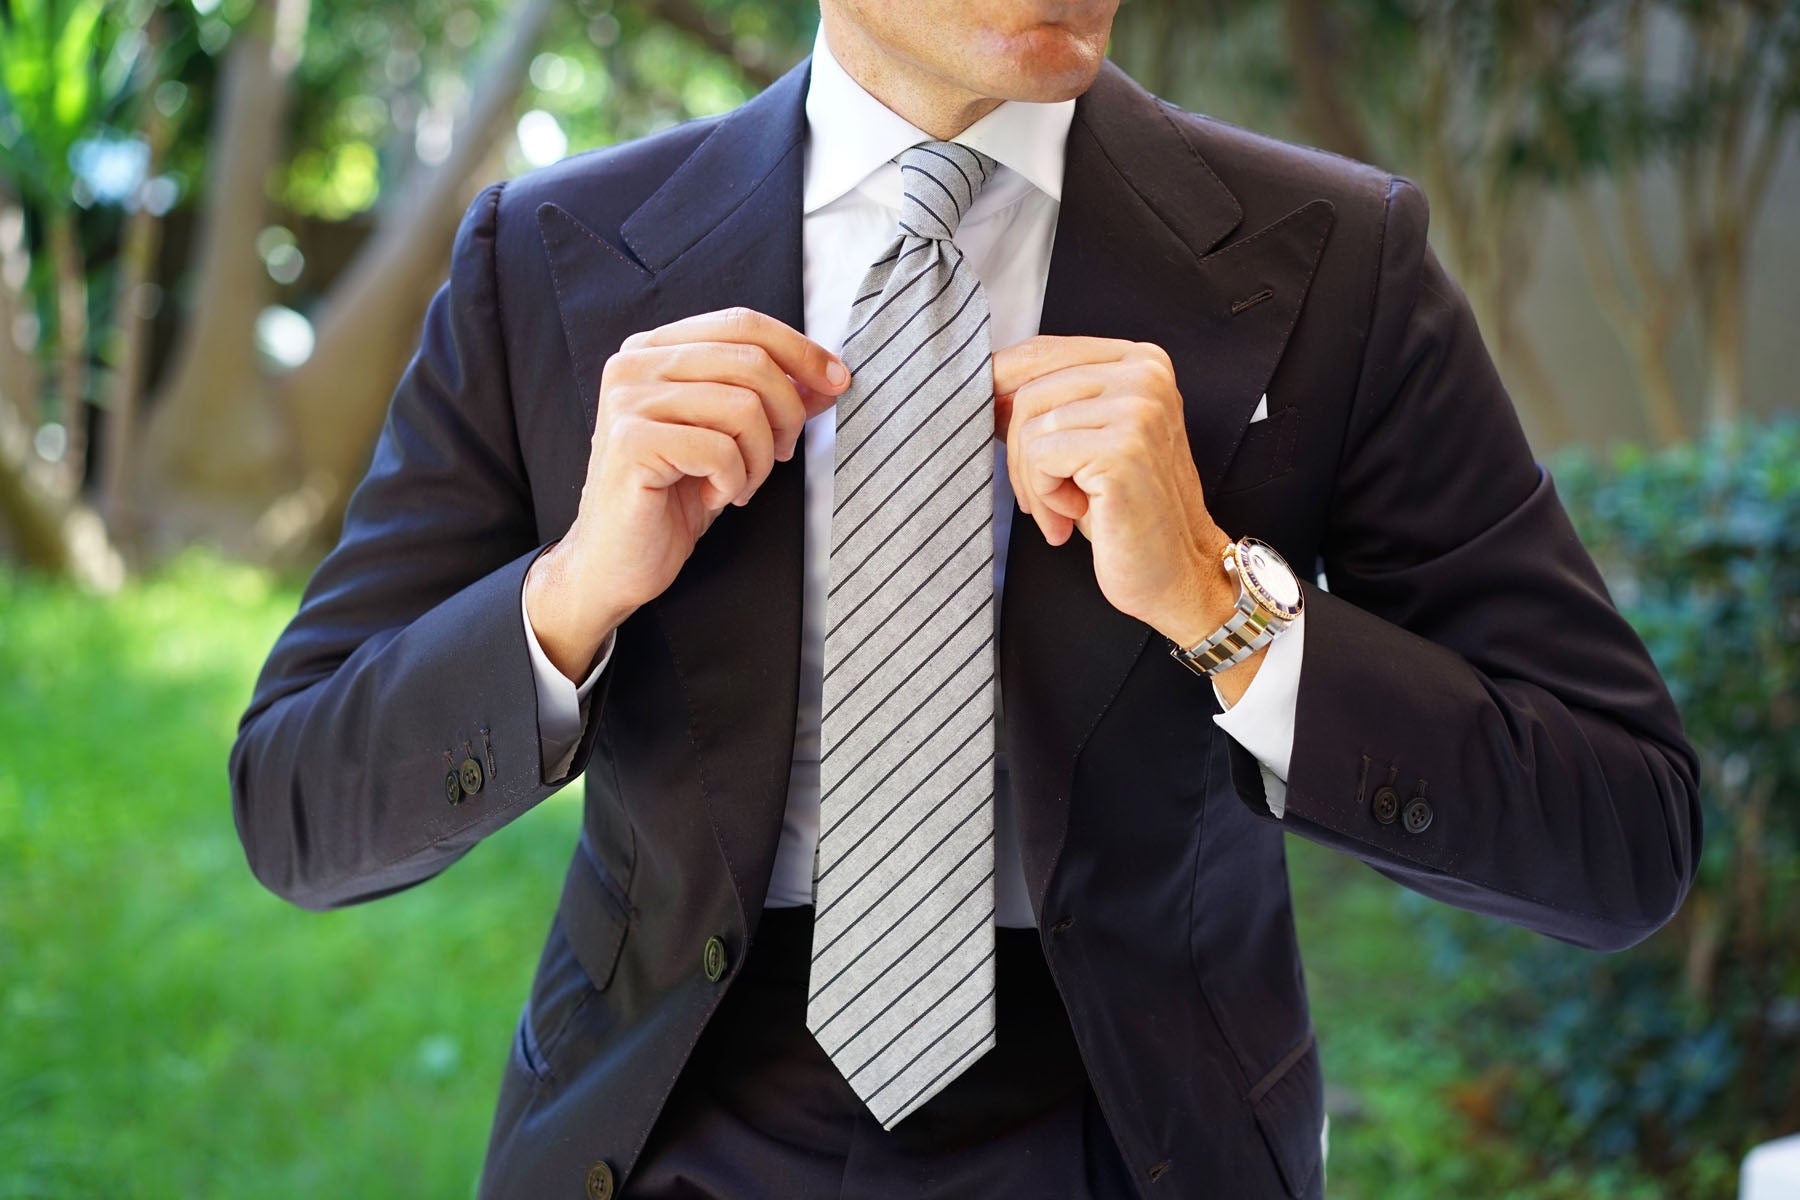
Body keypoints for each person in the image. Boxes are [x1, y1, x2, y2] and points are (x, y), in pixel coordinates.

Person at [229, 1, 1702, 1196]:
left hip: (1132, 1129)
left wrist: (1225, 608)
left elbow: (1620, 834)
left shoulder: (1335, 262)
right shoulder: (547, 259)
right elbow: (298, 810)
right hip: (671, 1123)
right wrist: (570, 595)